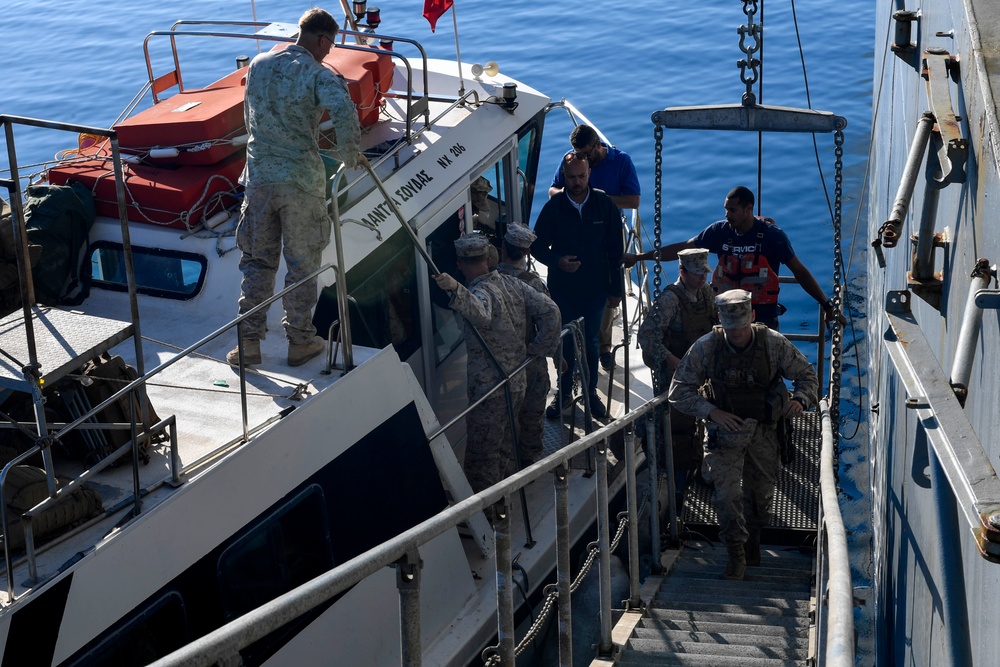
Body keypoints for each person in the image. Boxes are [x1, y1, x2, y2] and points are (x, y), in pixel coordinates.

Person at [227, 8, 363, 367]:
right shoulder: (318, 74)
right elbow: (345, 113)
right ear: (321, 39)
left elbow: (249, 115)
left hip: (258, 178)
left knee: (257, 262)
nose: (330, 52)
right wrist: (351, 156)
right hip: (301, 181)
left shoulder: (257, 64)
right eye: (330, 45)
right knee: (302, 264)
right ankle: (300, 340)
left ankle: (249, 344)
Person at [668, 289, 818, 580]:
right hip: (725, 434)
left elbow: (806, 375)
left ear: (752, 316)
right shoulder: (706, 347)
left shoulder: (773, 343)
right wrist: (711, 411)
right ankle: (735, 554)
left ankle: (753, 543)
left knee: (760, 496)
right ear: (720, 321)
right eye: (729, 327)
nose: (736, 333)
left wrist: (800, 399)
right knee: (726, 496)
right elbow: (679, 391)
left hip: (765, 432)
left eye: (741, 326)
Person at [433, 234, 560, 493]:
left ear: (459, 264)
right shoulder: (513, 283)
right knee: (505, 441)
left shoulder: (480, 291)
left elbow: (480, 313)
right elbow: (551, 311)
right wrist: (540, 349)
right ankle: (506, 495)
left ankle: (488, 514)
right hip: (517, 381)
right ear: (489, 259)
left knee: (483, 454)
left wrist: (456, 290)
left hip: (490, 389)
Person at [625, 185, 836, 329]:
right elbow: (683, 248)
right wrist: (641, 257)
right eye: (726, 209)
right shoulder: (720, 232)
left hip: (762, 315)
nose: (727, 215)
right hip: (725, 312)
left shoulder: (773, 237)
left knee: (765, 364)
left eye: (732, 210)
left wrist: (826, 305)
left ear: (748, 209)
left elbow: (800, 272)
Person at [532, 154, 625, 421]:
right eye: (571, 177)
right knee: (565, 341)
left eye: (581, 176)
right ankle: (563, 392)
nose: (577, 182)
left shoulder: (604, 204)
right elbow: (537, 246)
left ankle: (590, 392)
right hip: (563, 288)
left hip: (595, 287)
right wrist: (557, 261)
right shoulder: (554, 207)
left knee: (592, 341)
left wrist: (616, 290)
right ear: (563, 176)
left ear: (589, 174)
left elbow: (615, 250)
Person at [549, 125, 640, 370]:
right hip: (574, 230)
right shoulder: (573, 160)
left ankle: (603, 347)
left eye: (586, 154)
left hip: (607, 230)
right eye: (577, 154)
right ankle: (576, 342)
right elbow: (552, 190)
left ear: (598, 144)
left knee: (607, 290)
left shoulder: (621, 161)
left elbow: (633, 200)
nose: (582, 160)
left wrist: (595, 200)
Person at [636, 248, 718, 515]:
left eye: (703, 274)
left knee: (706, 420)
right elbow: (647, 336)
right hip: (676, 376)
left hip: (701, 373)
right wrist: (670, 359)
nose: (701, 279)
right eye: (696, 275)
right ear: (683, 273)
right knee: (678, 429)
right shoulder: (670, 300)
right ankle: (676, 481)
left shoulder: (706, 293)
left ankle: (700, 466)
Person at [497, 223, 550, 467]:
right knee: (531, 410)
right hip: (528, 360)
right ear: (527, 253)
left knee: (503, 415)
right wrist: (543, 350)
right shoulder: (533, 283)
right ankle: (528, 461)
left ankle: (505, 463)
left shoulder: (489, 280)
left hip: (497, 359)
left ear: (503, 247)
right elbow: (550, 319)